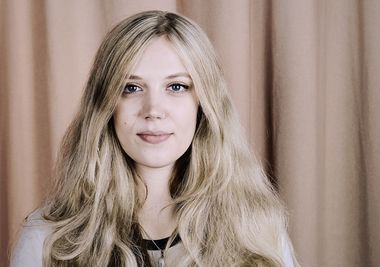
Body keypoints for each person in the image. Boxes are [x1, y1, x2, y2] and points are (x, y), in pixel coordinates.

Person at [11, 10, 298, 267]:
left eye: (176, 86)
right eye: (132, 88)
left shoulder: (258, 231)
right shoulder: (46, 239)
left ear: (205, 104)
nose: (153, 111)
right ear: (106, 105)